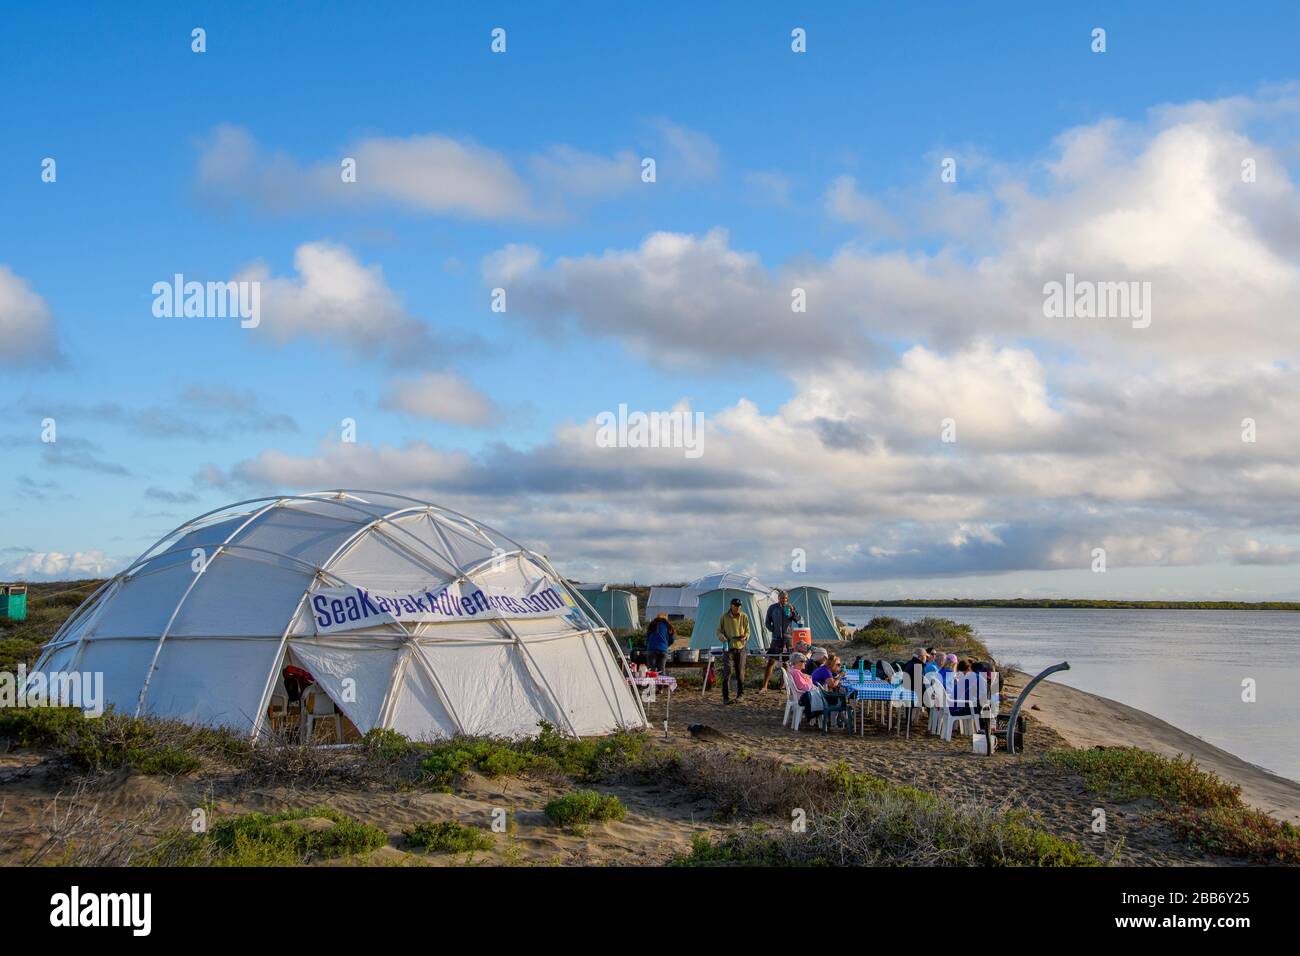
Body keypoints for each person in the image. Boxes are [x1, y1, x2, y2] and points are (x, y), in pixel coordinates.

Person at [761, 590, 802, 693]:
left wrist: (793, 612)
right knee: (771, 661)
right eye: (781, 598)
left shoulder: (790, 607)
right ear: (778, 598)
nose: (783, 600)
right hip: (776, 638)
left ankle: (783, 686)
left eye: (785, 598)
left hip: (787, 638)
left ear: (787, 599)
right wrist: (773, 630)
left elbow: (799, 620)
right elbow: (767, 622)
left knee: (786, 662)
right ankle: (764, 686)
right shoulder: (772, 608)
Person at [716, 597, 751, 705]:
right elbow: (718, 631)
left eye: (739, 606)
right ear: (731, 606)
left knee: (740, 673)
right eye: (736, 606)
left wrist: (745, 637)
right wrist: (722, 637)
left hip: (741, 648)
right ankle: (725, 697)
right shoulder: (724, 617)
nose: (738, 608)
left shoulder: (744, 616)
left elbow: (748, 631)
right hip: (728, 649)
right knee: (727, 672)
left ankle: (740, 695)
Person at [786, 652, 818, 724]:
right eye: (803, 661)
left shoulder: (793, 671)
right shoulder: (796, 673)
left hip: (799, 695)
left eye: (805, 661)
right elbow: (805, 687)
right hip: (801, 696)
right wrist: (809, 680)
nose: (805, 663)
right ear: (797, 662)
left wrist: (806, 677)